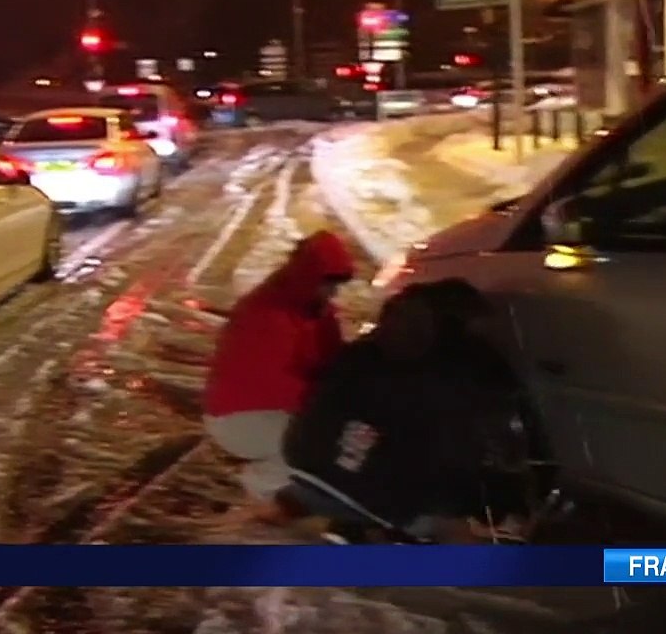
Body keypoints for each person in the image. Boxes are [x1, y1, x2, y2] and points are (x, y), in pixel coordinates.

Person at [282, 280, 528, 543]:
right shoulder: (465, 370)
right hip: (381, 500)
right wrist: (501, 501)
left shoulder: (360, 353)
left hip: (308, 471)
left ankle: (349, 528)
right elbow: (474, 449)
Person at [202, 230, 355, 522]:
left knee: (331, 436)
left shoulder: (315, 310)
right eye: (329, 284)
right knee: (313, 445)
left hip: (278, 407)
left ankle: (287, 491)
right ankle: (261, 490)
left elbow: (333, 358)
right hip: (238, 415)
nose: (333, 293)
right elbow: (271, 382)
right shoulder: (266, 315)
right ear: (311, 277)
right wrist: (327, 404)